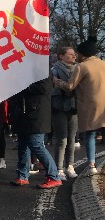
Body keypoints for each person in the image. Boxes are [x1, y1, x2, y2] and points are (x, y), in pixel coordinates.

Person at [54, 36, 105, 176]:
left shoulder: (82, 66)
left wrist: (59, 83)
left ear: (83, 54)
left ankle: (92, 165)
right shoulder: (103, 64)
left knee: (90, 134)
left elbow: (70, 86)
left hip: (89, 105)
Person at [8, 76, 62, 189]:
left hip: (36, 115)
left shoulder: (42, 67)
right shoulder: (27, 67)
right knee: (23, 144)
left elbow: (44, 87)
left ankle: (54, 176)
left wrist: (23, 84)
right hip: (24, 113)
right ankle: (22, 175)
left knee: (36, 144)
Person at [50, 47, 79, 179]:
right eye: (70, 54)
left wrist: (64, 85)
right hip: (59, 106)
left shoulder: (78, 69)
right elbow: (54, 85)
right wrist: (66, 86)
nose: (74, 56)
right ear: (61, 56)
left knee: (72, 138)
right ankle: (59, 168)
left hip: (74, 107)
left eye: (74, 54)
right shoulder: (54, 69)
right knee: (62, 138)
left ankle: (70, 166)